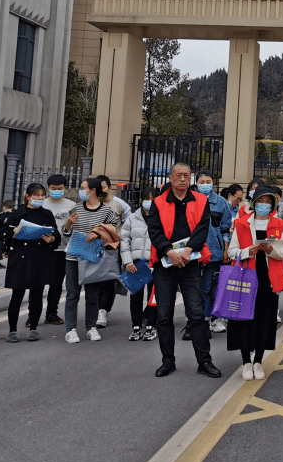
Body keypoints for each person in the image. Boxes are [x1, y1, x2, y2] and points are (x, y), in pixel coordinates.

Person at [146, 162, 222, 378]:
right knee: (164, 315)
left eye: (186, 175)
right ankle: (167, 360)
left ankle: (204, 361)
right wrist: (170, 252)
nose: (182, 179)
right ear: (170, 178)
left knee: (197, 314)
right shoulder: (159, 202)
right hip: (165, 265)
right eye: (178, 175)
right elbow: (155, 231)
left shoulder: (200, 200)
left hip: (191, 263)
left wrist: (188, 251)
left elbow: (202, 228)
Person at [227, 185, 283, 380]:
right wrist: (249, 251)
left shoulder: (279, 225)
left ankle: (259, 361)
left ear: (273, 204)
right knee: (244, 320)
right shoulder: (241, 223)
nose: (264, 205)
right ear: (254, 203)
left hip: (269, 280)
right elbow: (231, 251)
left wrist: (270, 250)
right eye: (260, 201)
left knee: (265, 321)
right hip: (245, 278)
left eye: (268, 202)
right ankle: (246, 361)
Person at [0, 183, 60, 342]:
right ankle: (12, 330)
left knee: (37, 294)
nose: (39, 198)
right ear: (28, 196)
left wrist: (52, 239)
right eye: (36, 195)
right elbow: (3, 233)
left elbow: (56, 236)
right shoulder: (17, 213)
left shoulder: (47, 214)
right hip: (20, 257)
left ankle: (33, 328)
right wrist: (14, 231)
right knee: (17, 294)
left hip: (40, 257)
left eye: (42, 195)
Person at [62, 178, 119, 344]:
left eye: (83, 188)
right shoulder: (75, 208)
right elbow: (64, 233)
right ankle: (70, 329)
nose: (80, 191)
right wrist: (68, 224)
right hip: (74, 256)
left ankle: (91, 327)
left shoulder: (106, 211)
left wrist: (100, 233)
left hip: (94, 256)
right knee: (72, 294)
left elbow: (113, 233)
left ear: (92, 190)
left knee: (92, 295)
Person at [190, 170, 233, 336]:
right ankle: (197, 319)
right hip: (193, 253)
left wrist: (226, 250)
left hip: (215, 253)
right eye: (202, 181)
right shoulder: (190, 200)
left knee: (211, 287)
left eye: (208, 181)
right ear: (197, 183)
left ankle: (214, 318)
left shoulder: (221, 202)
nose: (205, 184)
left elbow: (225, 229)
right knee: (196, 288)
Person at [121, 187, 158, 341]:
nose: (149, 202)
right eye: (146, 199)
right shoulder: (132, 218)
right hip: (136, 263)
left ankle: (151, 326)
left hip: (154, 263)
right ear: (141, 200)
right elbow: (124, 240)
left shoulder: (161, 217)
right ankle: (136, 327)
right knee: (135, 297)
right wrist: (128, 261)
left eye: (153, 199)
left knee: (153, 297)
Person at [95, 174, 132, 328]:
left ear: (109, 187)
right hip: (92, 247)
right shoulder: (89, 204)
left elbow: (128, 225)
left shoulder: (120, 205)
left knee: (108, 281)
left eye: (103, 187)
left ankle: (103, 310)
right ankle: (94, 309)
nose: (100, 190)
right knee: (93, 280)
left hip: (112, 248)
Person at [43, 174, 75, 325]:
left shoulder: (71, 206)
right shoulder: (42, 204)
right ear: (48, 188)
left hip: (62, 250)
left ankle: (51, 313)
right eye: (53, 189)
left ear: (66, 189)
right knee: (37, 283)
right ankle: (32, 315)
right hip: (42, 249)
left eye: (60, 189)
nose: (56, 191)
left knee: (56, 284)